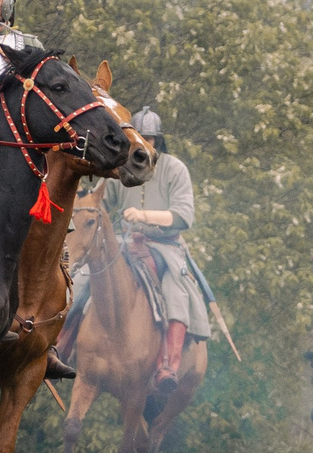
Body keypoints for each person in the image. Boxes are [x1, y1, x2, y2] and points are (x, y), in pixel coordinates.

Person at [61, 106, 208, 386]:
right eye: (140, 137)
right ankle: (59, 347)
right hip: (123, 245)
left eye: (150, 138)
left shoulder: (174, 169)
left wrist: (143, 216)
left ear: (157, 140)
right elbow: (99, 202)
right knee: (81, 279)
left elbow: (183, 216)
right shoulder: (121, 167)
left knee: (176, 292)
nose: (145, 143)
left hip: (164, 247)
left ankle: (168, 365)